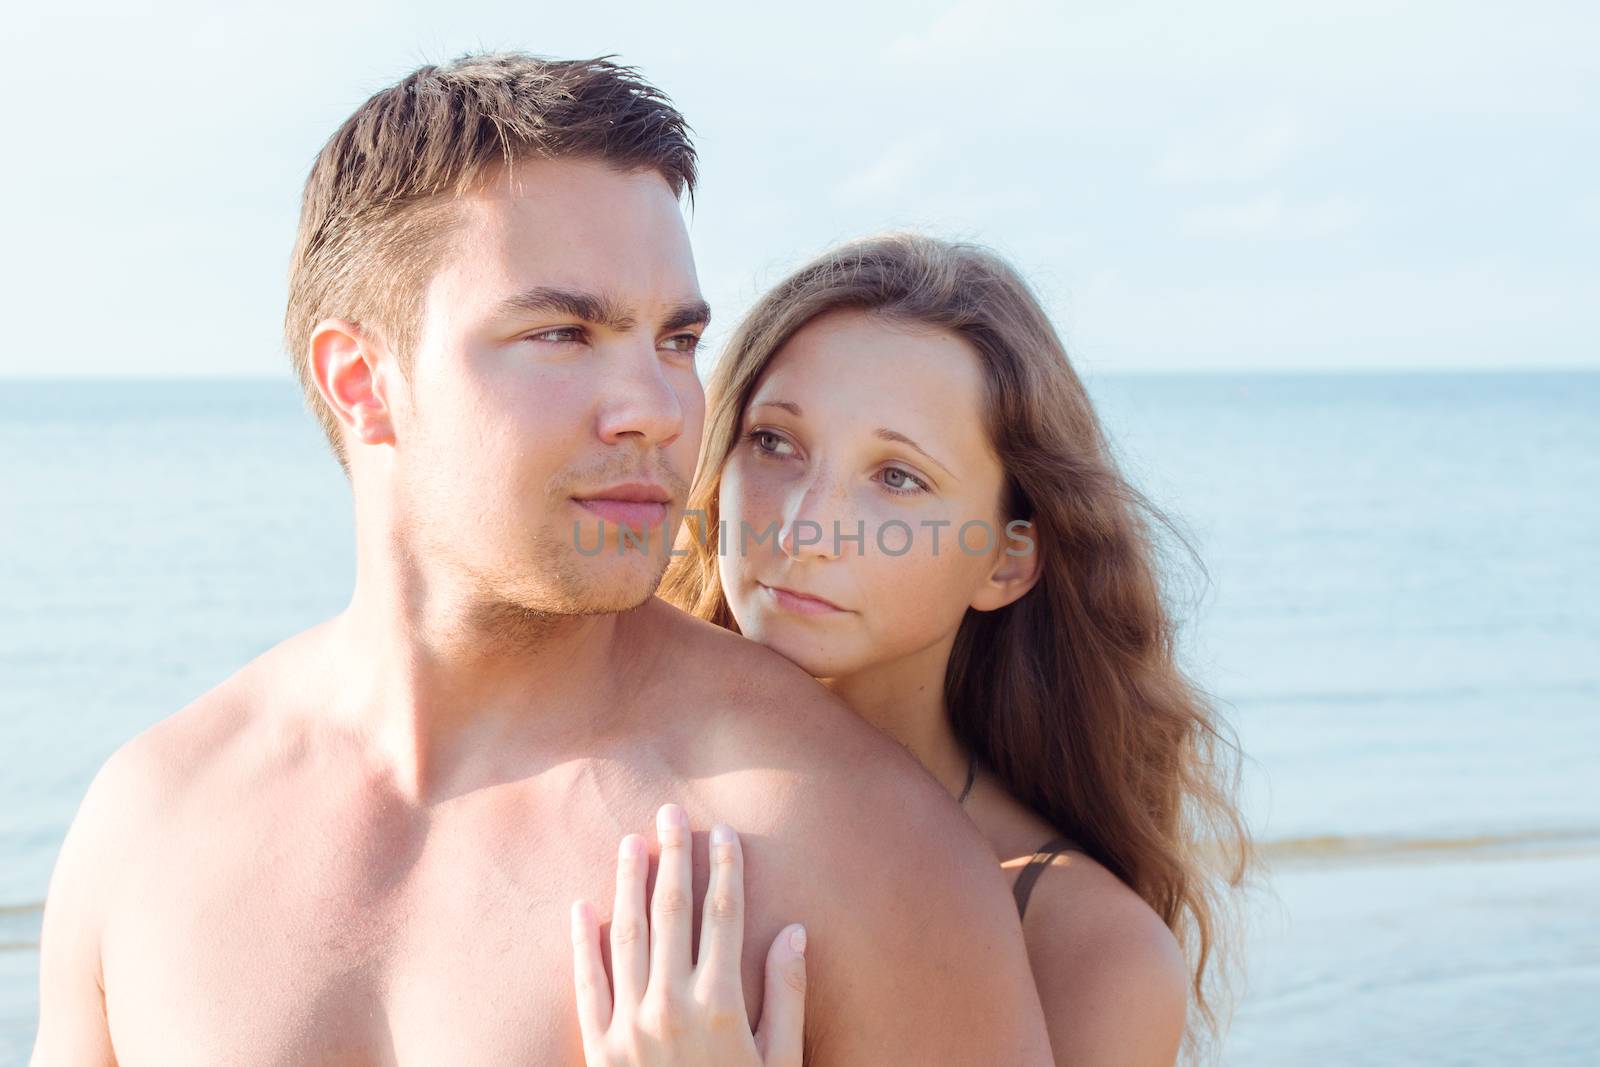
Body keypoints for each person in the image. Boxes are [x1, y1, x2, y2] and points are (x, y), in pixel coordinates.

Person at [28, 54, 1057, 1065]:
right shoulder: (153, 821)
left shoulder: (849, 847)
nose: (656, 409)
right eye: (564, 333)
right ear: (362, 380)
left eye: (675, 339)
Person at [575, 233, 1255, 1066]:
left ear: (1007, 558)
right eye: (775, 442)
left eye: (896, 477)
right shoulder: (589, 775)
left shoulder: (1084, 948)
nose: (803, 528)